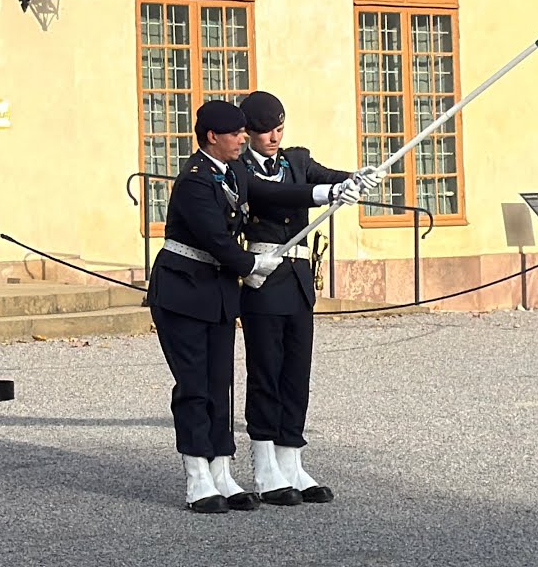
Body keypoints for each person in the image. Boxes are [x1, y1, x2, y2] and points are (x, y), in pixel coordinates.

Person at [147, 99, 363, 514]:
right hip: (184, 291)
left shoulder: (230, 173)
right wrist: (251, 264)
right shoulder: (194, 179)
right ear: (213, 136)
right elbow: (214, 237)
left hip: (219, 290)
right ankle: (197, 478)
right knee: (194, 387)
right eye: (237, 133)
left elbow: (271, 190)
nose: (244, 139)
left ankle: (222, 471)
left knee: (220, 385)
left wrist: (345, 183)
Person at [236, 91, 383, 504]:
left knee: (296, 376)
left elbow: (326, 175)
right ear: (248, 133)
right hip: (263, 281)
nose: (274, 138)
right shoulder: (241, 169)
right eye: (266, 131)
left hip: (298, 280)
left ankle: (291, 461)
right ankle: (264, 467)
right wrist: (325, 194)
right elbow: (272, 197)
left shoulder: (297, 160)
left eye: (279, 129)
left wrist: (355, 178)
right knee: (266, 372)